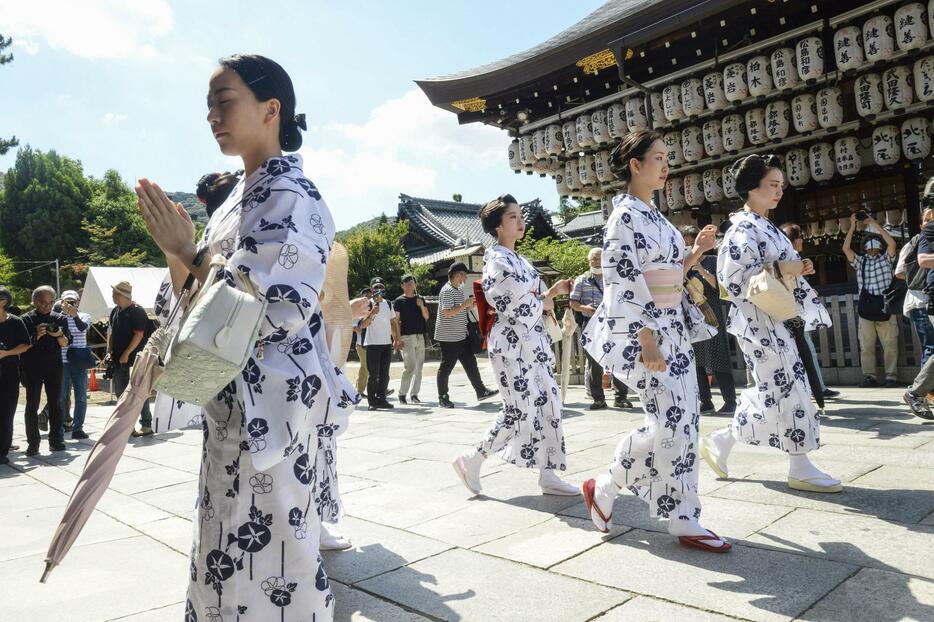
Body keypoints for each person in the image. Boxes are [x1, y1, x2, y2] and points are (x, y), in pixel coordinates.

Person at [136, 54, 358, 620]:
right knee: (221, 548)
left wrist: (187, 251)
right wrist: (176, 253)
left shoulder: (294, 193)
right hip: (230, 401)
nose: (212, 115)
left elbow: (272, 305)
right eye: (208, 105)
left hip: (272, 407)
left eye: (224, 100)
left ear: (271, 108)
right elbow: (192, 298)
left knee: (274, 555)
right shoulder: (239, 197)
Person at [580, 130, 729, 552]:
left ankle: (671, 510)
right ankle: (619, 489)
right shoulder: (623, 217)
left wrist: (695, 253)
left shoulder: (655, 216)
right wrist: (646, 339)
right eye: (659, 158)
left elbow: (669, 271)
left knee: (685, 418)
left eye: (667, 158)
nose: (666, 165)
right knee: (669, 421)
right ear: (635, 165)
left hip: (672, 327)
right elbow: (624, 279)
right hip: (643, 332)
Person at [703, 154, 841, 495]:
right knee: (788, 388)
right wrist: (785, 270)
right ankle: (800, 464)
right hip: (757, 321)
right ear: (752, 188)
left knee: (776, 390)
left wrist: (798, 268)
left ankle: (722, 442)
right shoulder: (739, 229)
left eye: (781, 185)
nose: (778, 192)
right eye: (771, 185)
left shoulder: (764, 225)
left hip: (776, 316)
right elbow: (733, 281)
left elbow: (779, 267)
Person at [452, 194, 578, 496]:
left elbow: (535, 299)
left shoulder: (519, 259)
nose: (521, 222)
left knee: (549, 401)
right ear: (497, 226)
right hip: (511, 345)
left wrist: (553, 292)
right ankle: (473, 458)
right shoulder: (496, 259)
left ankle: (549, 473)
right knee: (518, 410)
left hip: (533, 342)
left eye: (521, 216)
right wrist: (543, 300)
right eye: (513, 217)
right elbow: (516, 305)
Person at [681, 225, 738, 415]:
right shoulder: (682, 265)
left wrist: (702, 270)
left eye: (691, 241)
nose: (689, 245)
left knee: (718, 357)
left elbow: (720, 288)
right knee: (695, 360)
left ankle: (730, 400)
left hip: (711, 315)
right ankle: (705, 401)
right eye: (686, 242)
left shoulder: (713, 261)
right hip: (691, 317)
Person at [779, 223, 839, 401]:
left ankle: (816, 387)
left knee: (801, 351)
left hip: (784, 309)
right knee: (806, 351)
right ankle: (816, 388)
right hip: (794, 311)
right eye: (801, 237)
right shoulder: (794, 257)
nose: (802, 241)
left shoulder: (784, 257)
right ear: (797, 239)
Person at [569, 248, 633, 410]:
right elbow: (573, 303)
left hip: (613, 323)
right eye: (593, 259)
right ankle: (598, 398)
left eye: (598, 258)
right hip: (591, 324)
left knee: (617, 359)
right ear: (588, 261)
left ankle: (620, 397)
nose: (596, 262)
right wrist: (585, 307)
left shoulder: (613, 278)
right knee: (594, 362)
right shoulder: (582, 279)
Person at [842, 212, 899, 387]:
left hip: (885, 307)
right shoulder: (860, 262)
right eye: (869, 247)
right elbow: (846, 249)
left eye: (874, 246)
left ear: (879, 247)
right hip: (866, 309)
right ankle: (869, 376)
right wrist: (852, 226)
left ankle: (891, 376)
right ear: (865, 248)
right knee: (866, 345)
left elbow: (892, 243)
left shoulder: (886, 259)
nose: (872, 249)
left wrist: (875, 224)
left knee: (890, 344)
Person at [434, 262, 498, 408]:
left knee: (471, 363)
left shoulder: (458, 289)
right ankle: (443, 397)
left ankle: (481, 391)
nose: (465, 278)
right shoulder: (447, 290)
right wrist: (464, 305)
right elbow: (447, 312)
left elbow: (458, 310)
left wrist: (469, 305)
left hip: (461, 334)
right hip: (449, 337)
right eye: (464, 275)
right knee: (446, 367)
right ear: (457, 275)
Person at [107, 281, 153, 437]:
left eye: (115, 293)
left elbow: (139, 334)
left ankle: (146, 424)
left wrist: (127, 353)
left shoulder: (137, 311)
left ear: (122, 295)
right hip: (117, 359)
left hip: (135, 359)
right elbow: (112, 333)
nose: (113, 295)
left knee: (137, 392)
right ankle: (127, 426)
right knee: (121, 392)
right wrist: (108, 351)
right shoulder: (115, 311)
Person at [895, 205, 934, 366]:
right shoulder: (915, 242)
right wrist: (918, 275)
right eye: (927, 220)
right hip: (920, 299)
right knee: (930, 347)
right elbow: (899, 273)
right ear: (920, 225)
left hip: (928, 296)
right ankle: (925, 389)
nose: (930, 222)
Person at [0, 287, 30, 464]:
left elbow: (26, 345)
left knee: (6, 413)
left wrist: (6, 353)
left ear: (3, 301)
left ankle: (2, 452)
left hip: (9, 374)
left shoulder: (16, 322)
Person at [360, 277, 399, 410]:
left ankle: (382, 399)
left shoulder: (388, 303)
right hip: (372, 344)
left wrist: (397, 339)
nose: (378, 290)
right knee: (373, 375)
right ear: (371, 290)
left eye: (381, 287)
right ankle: (372, 402)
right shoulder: (367, 304)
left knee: (385, 374)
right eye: (376, 288)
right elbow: (363, 325)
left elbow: (394, 322)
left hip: (386, 344)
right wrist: (372, 313)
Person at [58, 290, 92, 440]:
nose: (70, 304)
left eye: (73, 301)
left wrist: (74, 314)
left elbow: (82, 328)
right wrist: (64, 313)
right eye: (67, 301)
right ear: (62, 302)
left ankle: (78, 428)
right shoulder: (59, 317)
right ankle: (58, 428)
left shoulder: (84, 315)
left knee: (81, 397)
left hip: (79, 362)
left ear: (78, 302)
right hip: (62, 361)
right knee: (60, 396)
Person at [394, 274, 429, 404]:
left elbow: (426, 317)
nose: (409, 284)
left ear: (415, 285)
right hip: (406, 337)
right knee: (410, 366)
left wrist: (421, 305)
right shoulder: (398, 301)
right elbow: (396, 321)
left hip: (420, 336)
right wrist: (396, 338)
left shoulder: (420, 299)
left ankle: (414, 394)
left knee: (419, 367)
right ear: (402, 285)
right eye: (406, 282)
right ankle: (402, 394)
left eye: (412, 282)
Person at [353, 287, 371, 395]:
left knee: (367, 367)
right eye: (365, 295)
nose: (368, 297)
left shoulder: (373, 308)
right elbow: (350, 326)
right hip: (361, 343)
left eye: (369, 295)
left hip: (371, 342)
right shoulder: (357, 309)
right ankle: (359, 391)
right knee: (365, 367)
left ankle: (358, 387)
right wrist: (359, 327)